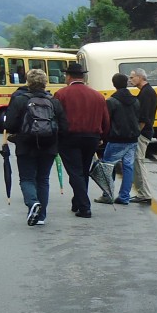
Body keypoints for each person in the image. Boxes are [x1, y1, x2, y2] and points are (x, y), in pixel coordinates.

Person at [3, 68, 68, 227]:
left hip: (25, 144)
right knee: (43, 179)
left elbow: (9, 125)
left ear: (28, 82)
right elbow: (64, 127)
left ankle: (32, 203)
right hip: (49, 145)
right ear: (45, 83)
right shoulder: (54, 102)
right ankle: (41, 216)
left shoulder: (20, 100)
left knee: (26, 178)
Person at [54, 61, 110, 218]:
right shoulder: (98, 95)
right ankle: (77, 202)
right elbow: (106, 120)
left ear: (68, 76)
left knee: (75, 172)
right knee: (83, 170)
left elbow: (56, 118)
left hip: (69, 137)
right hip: (92, 137)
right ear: (83, 77)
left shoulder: (61, 94)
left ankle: (84, 207)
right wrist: (102, 138)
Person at [96, 73, 139, 206]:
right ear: (126, 83)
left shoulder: (111, 101)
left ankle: (107, 195)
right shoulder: (135, 100)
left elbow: (107, 121)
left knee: (108, 166)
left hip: (116, 139)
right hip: (132, 139)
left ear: (114, 84)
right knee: (128, 167)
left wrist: (102, 136)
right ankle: (124, 196)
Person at [128, 67, 157, 204]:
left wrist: (136, 132)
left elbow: (144, 117)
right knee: (138, 161)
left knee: (138, 162)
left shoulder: (146, 93)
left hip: (143, 132)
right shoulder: (146, 92)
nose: (130, 80)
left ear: (140, 77)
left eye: (132, 77)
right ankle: (143, 192)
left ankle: (144, 193)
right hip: (145, 131)